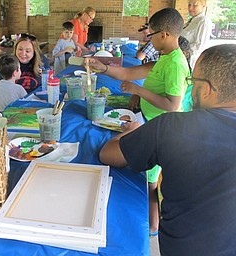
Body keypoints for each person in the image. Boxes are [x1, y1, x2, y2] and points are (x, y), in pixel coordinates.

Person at [99, 44, 236, 255]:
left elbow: (109, 154)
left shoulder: (173, 127)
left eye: (192, 82)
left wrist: (133, 131)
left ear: (206, 90)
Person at [88, 8, 190, 236]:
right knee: (148, 178)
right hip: (150, 122)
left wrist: (139, 90)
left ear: (164, 34)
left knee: (151, 182)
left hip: (160, 129)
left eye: (151, 34)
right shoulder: (164, 59)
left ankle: (153, 227)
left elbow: (173, 104)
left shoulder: (175, 63)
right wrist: (104, 68)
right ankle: (152, 223)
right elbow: (128, 73)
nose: (148, 39)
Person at [181, 0, 212, 69]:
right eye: (189, 5)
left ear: (203, 6)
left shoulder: (203, 22)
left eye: (195, 5)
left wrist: (183, 50)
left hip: (190, 61)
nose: (190, 8)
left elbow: (200, 46)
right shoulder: (191, 21)